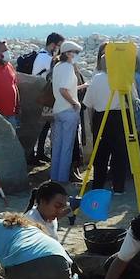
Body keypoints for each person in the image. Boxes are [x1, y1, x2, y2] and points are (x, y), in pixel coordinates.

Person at [81, 43, 136, 193]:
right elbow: (134, 100)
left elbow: (88, 103)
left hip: (101, 117)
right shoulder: (125, 78)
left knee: (101, 154)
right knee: (120, 154)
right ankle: (119, 187)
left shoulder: (97, 78)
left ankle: (98, 185)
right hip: (121, 117)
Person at [48, 40, 84, 184]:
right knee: (66, 149)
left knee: (57, 147)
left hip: (58, 109)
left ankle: (54, 178)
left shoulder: (57, 66)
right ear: (69, 53)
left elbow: (61, 89)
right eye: (75, 53)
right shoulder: (68, 68)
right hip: (68, 111)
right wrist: (75, 103)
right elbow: (64, 90)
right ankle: (62, 181)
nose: (76, 55)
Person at [30, 32, 65, 163]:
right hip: (42, 94)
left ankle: (39, 152)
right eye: (59, 46)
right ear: (52, 45)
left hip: (42, 93)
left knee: (44, 125)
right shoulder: (45, 58)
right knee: (41, 126)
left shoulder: (44, 55)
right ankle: (35, 153)